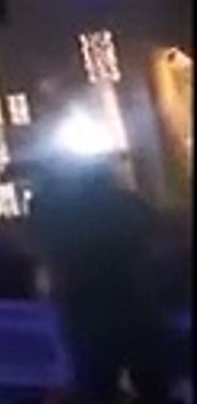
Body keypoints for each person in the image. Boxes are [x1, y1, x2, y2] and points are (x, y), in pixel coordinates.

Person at [26, 155, 173, 403]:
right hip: (134, 310)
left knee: (99, 386)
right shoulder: (125, 204)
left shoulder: (60, 212)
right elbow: (160, 233)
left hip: (88, 315)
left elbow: (42, 242)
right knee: (151, 385)